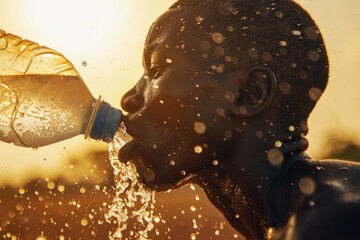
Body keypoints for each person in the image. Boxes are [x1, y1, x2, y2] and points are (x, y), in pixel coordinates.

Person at [119, 0, 360, 239]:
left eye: (156, 69)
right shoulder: (308, 208)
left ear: (249, 94)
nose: (128, 99)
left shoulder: (329, 223)